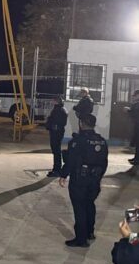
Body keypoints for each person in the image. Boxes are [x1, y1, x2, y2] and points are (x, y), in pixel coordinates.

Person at [58, 113, 108, 247]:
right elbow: (104, 162)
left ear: (81, 124)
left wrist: (63, 175)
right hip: (95, 180)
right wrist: (98, 177)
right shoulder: (102, 141)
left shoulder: (78, 141)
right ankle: (90, 232)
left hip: (80, 180)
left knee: (79, 208)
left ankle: (81, 239)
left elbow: (71, 161)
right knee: (90, 204)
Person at [45, 96, 68, 177]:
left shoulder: (58, 110)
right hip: (58, 131)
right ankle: (57, 168)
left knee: (56, 150)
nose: (52, 102)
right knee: (56, 150)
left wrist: (48, 123)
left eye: (53, 100)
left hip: (56, 132)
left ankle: (57, 169)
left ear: (56, 101)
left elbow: (55, 121)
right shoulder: (62, 109)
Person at [127, 91, 139, 166]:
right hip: (137, 124)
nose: (133, 97)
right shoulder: (136, 103)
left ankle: (137, 159)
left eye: (135, 95)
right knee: (137, 143)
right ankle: (136, 158)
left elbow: (136, 113)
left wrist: (129, 110)